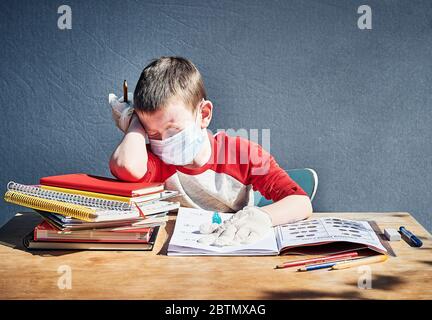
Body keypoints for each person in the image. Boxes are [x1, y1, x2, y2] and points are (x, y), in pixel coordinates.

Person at [109, 56, 312, 246]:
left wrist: (264, 217)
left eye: (173, 130)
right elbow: (127, 166)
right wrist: (134, 121)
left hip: (231, 251)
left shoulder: (242, 154)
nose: (163, 142)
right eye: (151, 133)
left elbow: (300, 202)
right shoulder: (154, 160)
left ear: (204, 114)